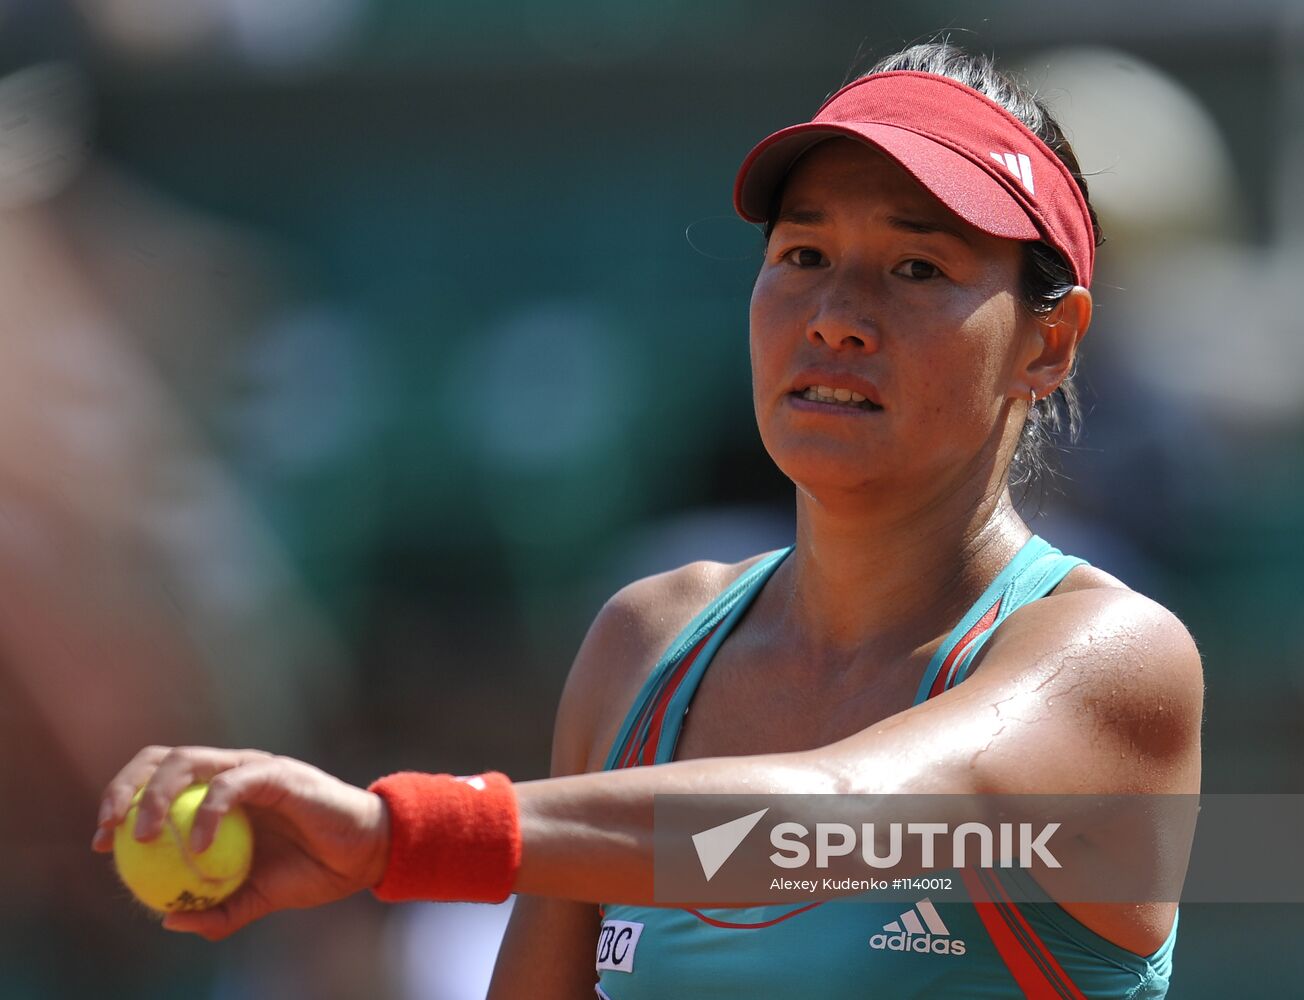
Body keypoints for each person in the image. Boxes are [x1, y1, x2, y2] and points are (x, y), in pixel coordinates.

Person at [91, 42, 1203, 999]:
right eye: (802, 255)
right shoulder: (644, 644)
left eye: (916, 266)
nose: (835, 318)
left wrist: (399, 835)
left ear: (1046, 345)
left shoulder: (1110, 664)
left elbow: (834, 817)